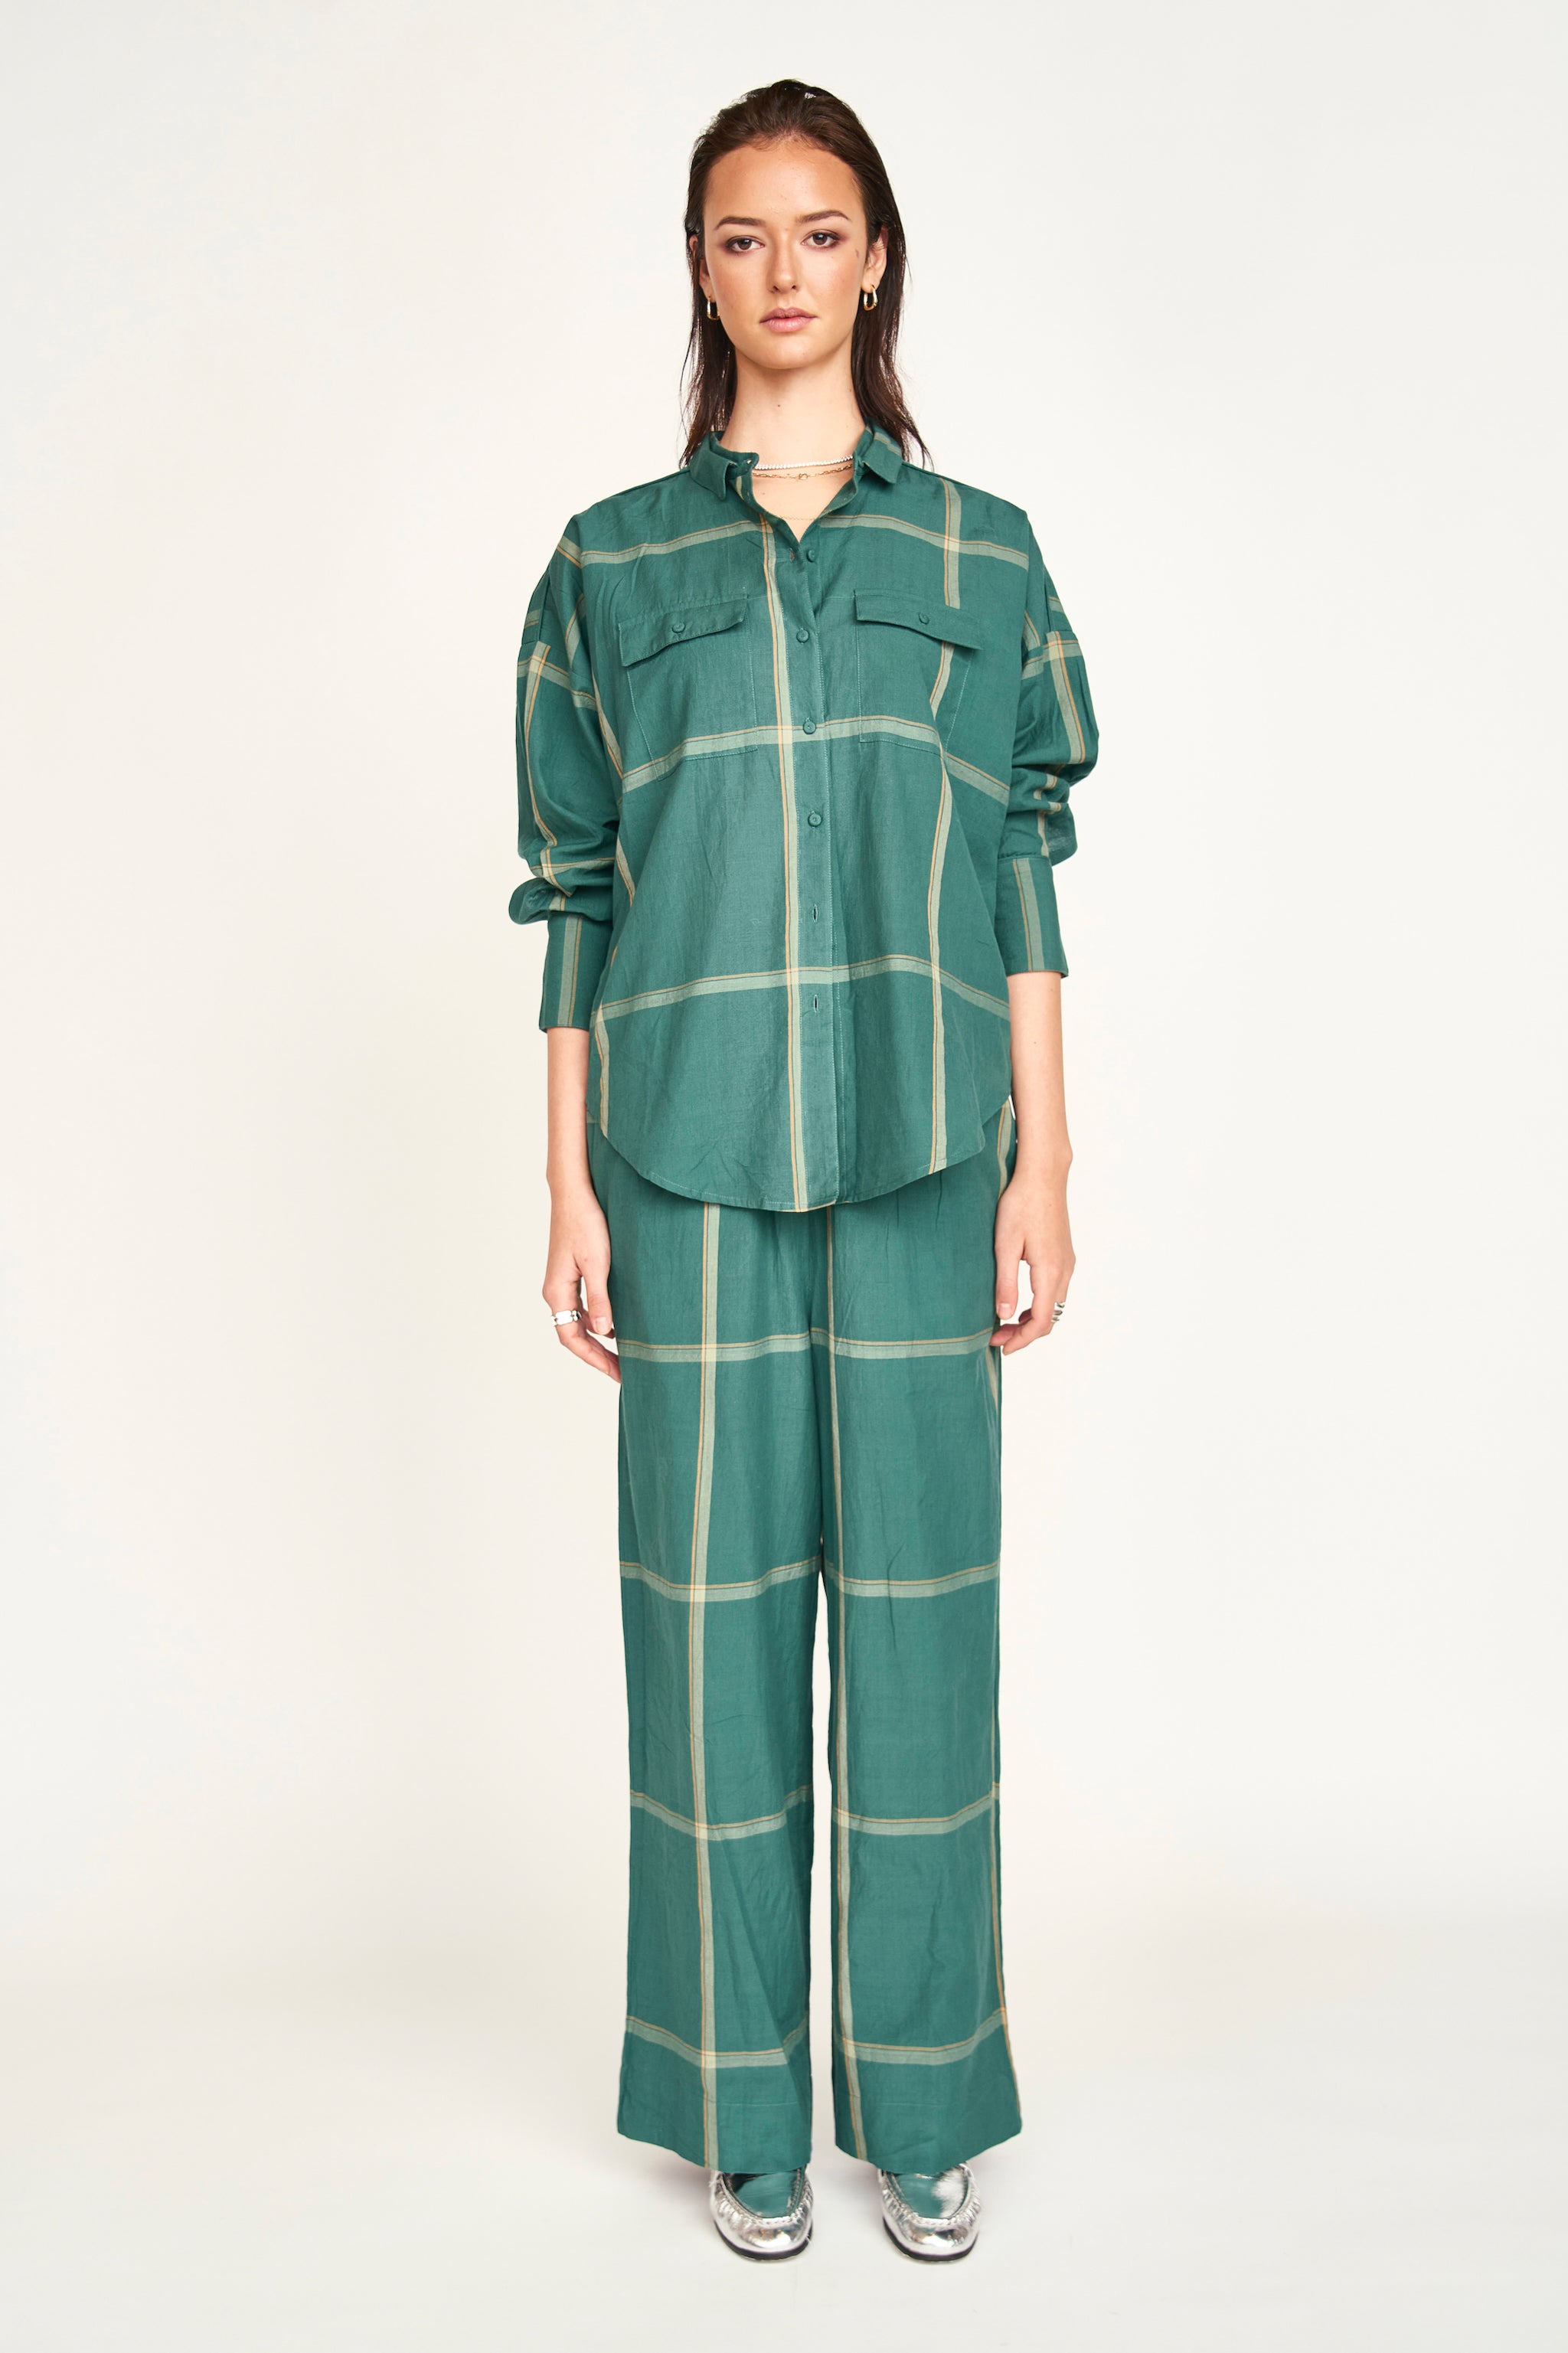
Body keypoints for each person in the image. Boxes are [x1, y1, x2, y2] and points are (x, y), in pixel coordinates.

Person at [509, 78, 1099, 2263]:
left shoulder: (982, 557)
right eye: (743, 235)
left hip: (935, 1147)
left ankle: (923, 2103)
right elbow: (574, 889)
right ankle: (742, 2107)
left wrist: (1049, 1162)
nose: (783, 271)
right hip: (681, 1155)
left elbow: (1023, 865)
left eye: (820, 232)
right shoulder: (608, 563)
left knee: (931, 1646)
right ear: (701, 265)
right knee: (708, 1643)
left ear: (877, 259)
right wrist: (568, 1189)